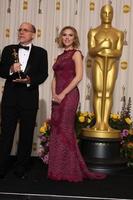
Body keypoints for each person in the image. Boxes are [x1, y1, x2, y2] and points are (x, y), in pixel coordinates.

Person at [47, 26, 106, 182]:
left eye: (70, 35)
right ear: (61, 37)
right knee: (57, 130)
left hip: (69, 95)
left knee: (65, 130)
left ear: (75, 38)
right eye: (64, 35)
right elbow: (54, 78)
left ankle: (69, 170)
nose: (67, 37)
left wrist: (62, 94)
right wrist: (54, 94)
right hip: (57, 96)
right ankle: (57, 168)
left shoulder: (77, 54)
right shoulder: (59, 56)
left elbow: (78, 77)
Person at [0, 22, 48, 178]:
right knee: (6, 134)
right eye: (20, 30)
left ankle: (21, 166)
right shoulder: (8, 50)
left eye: (25, 30)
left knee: (26, 135)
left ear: (33, 34)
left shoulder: (41, 52)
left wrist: (29, 80)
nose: (21, 32)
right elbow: (1, 70)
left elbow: (43, 74)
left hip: (29, 99)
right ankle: (1, 166)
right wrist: (10, 69)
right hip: (10, 99)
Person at [88, 4, 124, 131]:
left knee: (108, 93)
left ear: (113, 14)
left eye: (110, 13)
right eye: (105, 13)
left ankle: (105, 122)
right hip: (98, 64)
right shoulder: (93, 32)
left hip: (111, 65)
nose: (107, 16)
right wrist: (102, 46)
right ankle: (98, 122)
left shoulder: (118, 33)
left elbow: (118, 52)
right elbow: (91, 52)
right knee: (98, 92)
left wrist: (108, 52)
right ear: (100, 14)